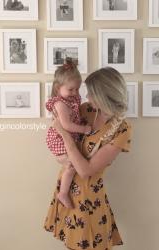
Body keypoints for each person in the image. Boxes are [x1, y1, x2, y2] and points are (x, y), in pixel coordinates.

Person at [43, 67, 133, 250]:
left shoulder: (122, 130)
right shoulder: (87, 111)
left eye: (91, 93)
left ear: (104, 96)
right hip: (66, 192)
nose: (87, 97)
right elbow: (57, 125)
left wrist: (63, 133)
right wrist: (61, 156)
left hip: (89, 200)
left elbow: (85, 171)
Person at [45, 57, 92, 209]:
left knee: (73, 165)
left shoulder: (72, 100)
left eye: (77, 89)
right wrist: (84, 129)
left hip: (67, 136)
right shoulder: (60, 103)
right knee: (71, 165)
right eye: (70, 89)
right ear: (58, 88)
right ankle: (63, 193)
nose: (74, 93)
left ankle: (66, 191)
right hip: (59, 138)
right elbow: (66, 125)